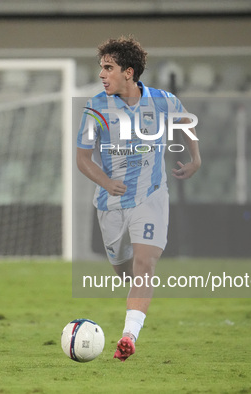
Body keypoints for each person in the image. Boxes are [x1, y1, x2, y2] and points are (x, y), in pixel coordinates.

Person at [76, 36, 201, 361]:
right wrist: (106, 181)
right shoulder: (96, 107)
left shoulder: (163, 101)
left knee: (145, 265)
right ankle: (135, 305)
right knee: (126, 270)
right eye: (101, 68)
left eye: (108, 68)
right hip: (110, 205)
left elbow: (186, 122)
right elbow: (83, 158)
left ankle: (128, 336)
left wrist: (196, 159)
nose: (102, 75)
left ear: (129, 72)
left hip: (151, 197)